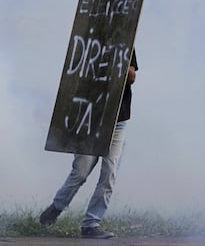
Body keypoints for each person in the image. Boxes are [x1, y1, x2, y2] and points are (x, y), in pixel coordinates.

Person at [39, 49, 138, 239]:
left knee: (109, 173)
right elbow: (75, 76)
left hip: (117, 120)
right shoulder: (92, 41)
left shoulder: (126, 40)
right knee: (81, 172)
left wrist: (120, 61)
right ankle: (56, 207)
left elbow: (132, 77)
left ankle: (91, 224)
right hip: (90, 116)